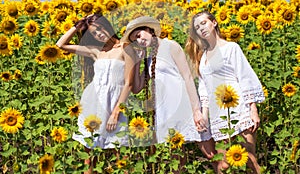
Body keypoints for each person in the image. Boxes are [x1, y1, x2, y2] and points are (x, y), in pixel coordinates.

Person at [121, 16, 218, 171]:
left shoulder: (170, 45)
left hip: (186, 107)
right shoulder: (148, 57)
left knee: (211, 155)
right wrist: (138, 61)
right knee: (176, 161)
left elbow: (187, 77)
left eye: (139, 35)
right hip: (167, 112)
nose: (139, 41)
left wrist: (196, 110)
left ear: (149, 30)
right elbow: (137, 88)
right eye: (135, 40)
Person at [185, 10, 265, 173]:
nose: (201, 28)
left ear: (214, 23)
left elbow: (245, 77)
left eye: (204, 23)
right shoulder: (204, 56)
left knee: (250, 161)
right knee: (223, 165)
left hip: (239, 110)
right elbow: (204, 90)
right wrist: (204, 117)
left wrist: (253, 109)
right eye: (197, 27)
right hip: (218, 115)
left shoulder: (231, 48)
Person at [56, 14, 137, 173]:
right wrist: (77, 25)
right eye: (94, 33)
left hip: (115, 104)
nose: (99, 33)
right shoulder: (96, 50)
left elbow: (129, 83)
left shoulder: (125, 47)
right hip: (92, 103)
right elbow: (60, 45)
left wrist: (116, 113)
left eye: (100, 28)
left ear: (107, 25)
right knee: (88, 150)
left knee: (119, 150)